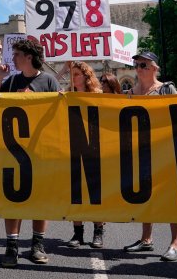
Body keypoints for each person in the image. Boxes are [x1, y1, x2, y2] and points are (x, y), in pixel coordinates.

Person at [0, 39, 60, 268]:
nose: (14, 58)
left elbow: (58, 114)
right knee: (13, 198)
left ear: (29, 57)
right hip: (13, 151)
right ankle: (12, 246)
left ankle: (37, 245)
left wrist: (35, 99)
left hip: (41, 150)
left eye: (17, 54)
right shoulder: (11, 81)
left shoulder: (49, 80)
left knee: (40, 199)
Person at [122, 51, 177, 262]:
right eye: (137, 65)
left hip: (165, 151)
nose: (139, 68)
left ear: (155, 68)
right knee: (143, 195)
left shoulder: (167, 89)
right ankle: (146, 239)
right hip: (139, 152)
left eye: (144, 65)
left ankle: (175, 243)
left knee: (170, 198)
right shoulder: (130, 93)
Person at [66, 63, 117, 249]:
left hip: (96, 149)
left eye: (77, 74)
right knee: (76, 193)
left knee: (96, 193)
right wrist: (64, 69)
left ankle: (98, 232)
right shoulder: (67, 95)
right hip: (73, 148)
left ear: (86, 76)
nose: (73, 78)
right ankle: (78, 234)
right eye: (72, 75)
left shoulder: (97, 96)